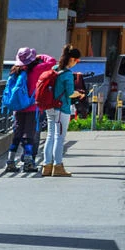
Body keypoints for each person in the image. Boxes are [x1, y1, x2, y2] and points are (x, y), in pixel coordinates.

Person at [3, 47, 55, 174]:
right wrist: (40, 56)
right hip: (32, 107)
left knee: (17, 134)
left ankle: (10, 161)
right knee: (29, 135)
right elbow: (52, 61)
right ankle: (28, 162)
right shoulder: (36, 69)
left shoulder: (15, 70)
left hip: (18, 107)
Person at [37, 45, 81, 177]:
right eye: (77, 61)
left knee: (50, 136)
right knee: (59, 137)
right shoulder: (67, 74)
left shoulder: (54, 69)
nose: (76, 63)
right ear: (72, 59)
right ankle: (58, 166)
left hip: (50, 107)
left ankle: (47, 165)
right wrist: (79, 94)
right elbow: (70, 93)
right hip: (62, 109)